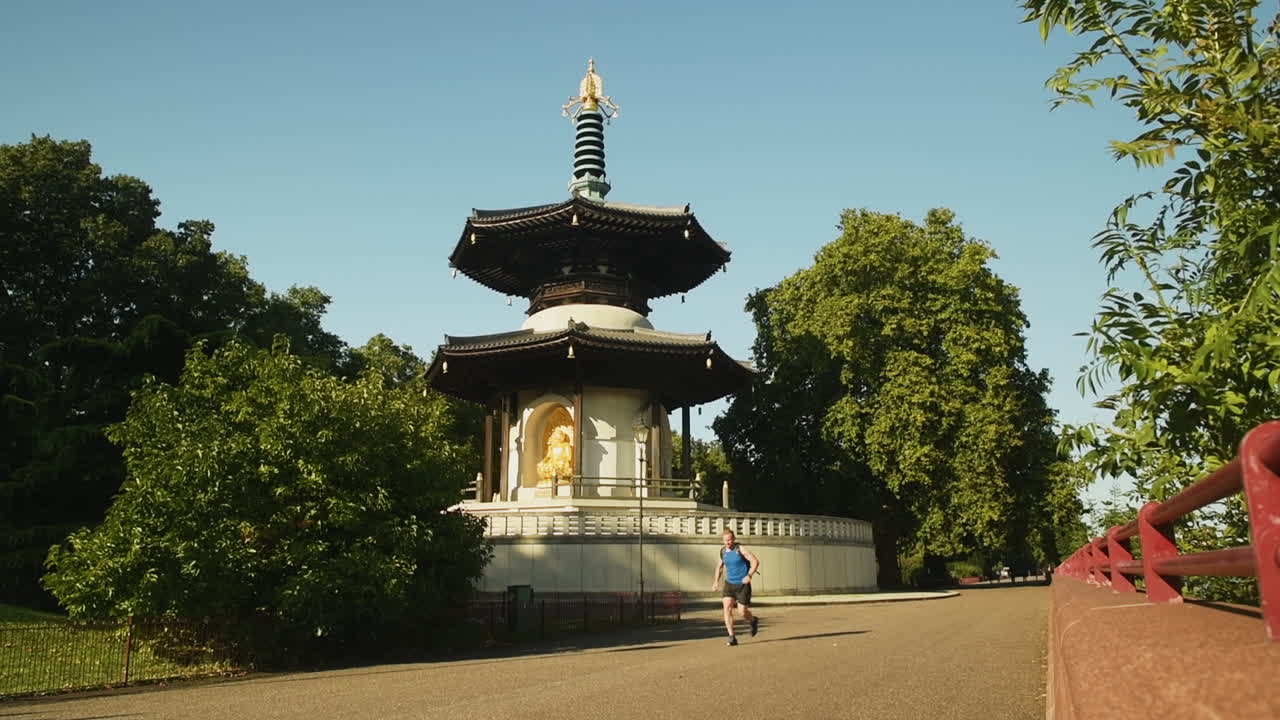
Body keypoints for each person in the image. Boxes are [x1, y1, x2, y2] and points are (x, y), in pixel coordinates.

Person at [712, 528, 760, 646]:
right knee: (727, 609)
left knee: (742, 612)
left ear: (733, 539)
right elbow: (719, 567)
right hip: (729, 584)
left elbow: (755, 561)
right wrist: (715, 582)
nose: (727, 542)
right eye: (725, 540)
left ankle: (753, 621)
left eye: (729, 540)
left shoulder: (740, 549)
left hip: (743, 584)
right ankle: (732, 637)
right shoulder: (723, 551)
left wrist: (749, 575)